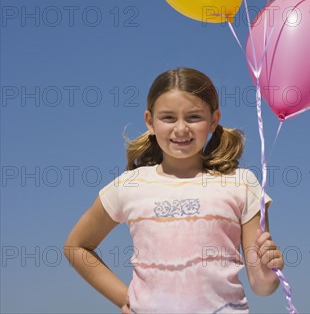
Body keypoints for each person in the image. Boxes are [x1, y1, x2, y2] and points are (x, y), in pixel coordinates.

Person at [64, 68, 283, 313]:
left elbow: (262, 286)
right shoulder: (129, 185)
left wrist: (267, 272)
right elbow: (76, 246)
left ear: (213, 120)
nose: (181, 129)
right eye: (168, 118)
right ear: (150, 121)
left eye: (193, 117)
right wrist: (126, 298)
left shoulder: (241, 183)